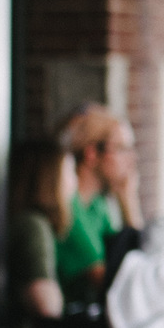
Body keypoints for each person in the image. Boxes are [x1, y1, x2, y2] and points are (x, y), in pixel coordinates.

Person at [55, 106, 143, 299]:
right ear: (92, 154)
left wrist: (127, 198)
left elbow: (134, 263)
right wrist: (128, 201)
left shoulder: (97, 205)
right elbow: (116, 284)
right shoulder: (68, 208)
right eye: (122, 149)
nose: (132, 158)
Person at [7, 138, 76, 327]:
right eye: (69, 173)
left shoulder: (24, 220)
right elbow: (47, 307)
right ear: (50, 179)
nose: (74, 183)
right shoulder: (34, 226)